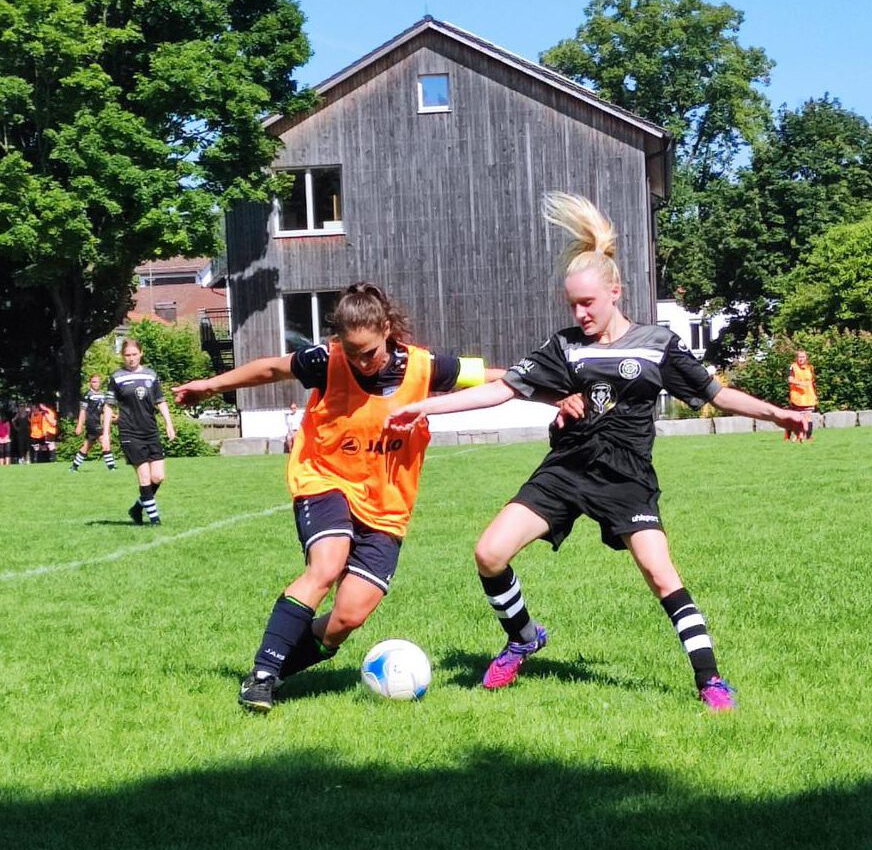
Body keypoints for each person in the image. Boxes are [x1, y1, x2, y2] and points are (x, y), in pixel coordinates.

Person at [387, 193, 808, 712]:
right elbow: (503, 388)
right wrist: (426, 407)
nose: (580, 313)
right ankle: (523, 637)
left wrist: (778, 413)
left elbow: (716, 394)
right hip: (566, 468)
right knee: (489, 553)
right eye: (572, 305)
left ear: (615, 292)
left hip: (625, 475)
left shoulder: (656, 343)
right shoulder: (564, 346)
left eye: (588, 303)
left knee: (659, 573)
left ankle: (710, 681)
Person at [173, 282, 503, 713]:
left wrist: (554, 387)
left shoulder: (424, 366)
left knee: (347, 618)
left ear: (386, 329)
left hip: (387, 508)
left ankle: (274, 670)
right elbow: (271, 369)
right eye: (352, 352)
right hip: (325, 480)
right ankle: (261, 675)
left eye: (368, 351)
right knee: (326, 566)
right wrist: (212, 387)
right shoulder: (325, 361)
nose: (362, 362)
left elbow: (491, 377)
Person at [104, 338, 176, 526]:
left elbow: (160, 401)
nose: (131, 358)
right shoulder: (116, 377)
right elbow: (109, 406)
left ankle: (137, 508)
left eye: (134, 354)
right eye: (127, 355)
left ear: (141, 354)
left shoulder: (151, 375)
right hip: (129, 432)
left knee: (158, 477)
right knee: (144, 477)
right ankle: (154, 520)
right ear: (122, 356)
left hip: (150, 431)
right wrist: (105, 433)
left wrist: (169, 424)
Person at [70, 375, 118, 472]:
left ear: (100, 383)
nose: (95, 384)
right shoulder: (87, 395)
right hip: (92, 423)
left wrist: (113, 416)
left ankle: (74, 467)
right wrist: (79, 425)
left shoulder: (103, 395)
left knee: (87, 445)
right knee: (105, 442)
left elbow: (105, 409)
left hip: (98, 422)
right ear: (90, 383)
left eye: (97, 382)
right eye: (93, 382)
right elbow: (82, 411)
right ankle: (111, 467)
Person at [786, 349, 817, 442]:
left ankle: (808, 436)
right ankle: (788, 436)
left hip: (808, 396)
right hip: (797, 396)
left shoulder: (810, 368)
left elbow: (812, 382)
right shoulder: (793, 367)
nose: (801, 359)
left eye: (803, 357)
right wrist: (800, 384)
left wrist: (814, 394)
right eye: (799, 357)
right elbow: (790, 380)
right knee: (795, 417)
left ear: (806, 358)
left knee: (808, 416)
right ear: (796, 358)